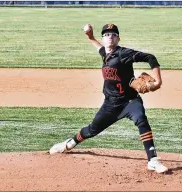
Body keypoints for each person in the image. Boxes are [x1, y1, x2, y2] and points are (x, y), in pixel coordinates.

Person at [49, 23, 168, 173]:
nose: (109, 37)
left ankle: (153, 159)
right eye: (106, 34)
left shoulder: (124, 53)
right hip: (110, 105)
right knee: (92, 130)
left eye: (113, 34)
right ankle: (68, 144)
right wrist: (91, 37)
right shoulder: (105, 53)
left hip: (129, 101)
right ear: (103, 39)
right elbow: (99, 48)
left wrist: (158, 81)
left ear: (118, 39)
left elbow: (150, 57)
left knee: (141, 119)